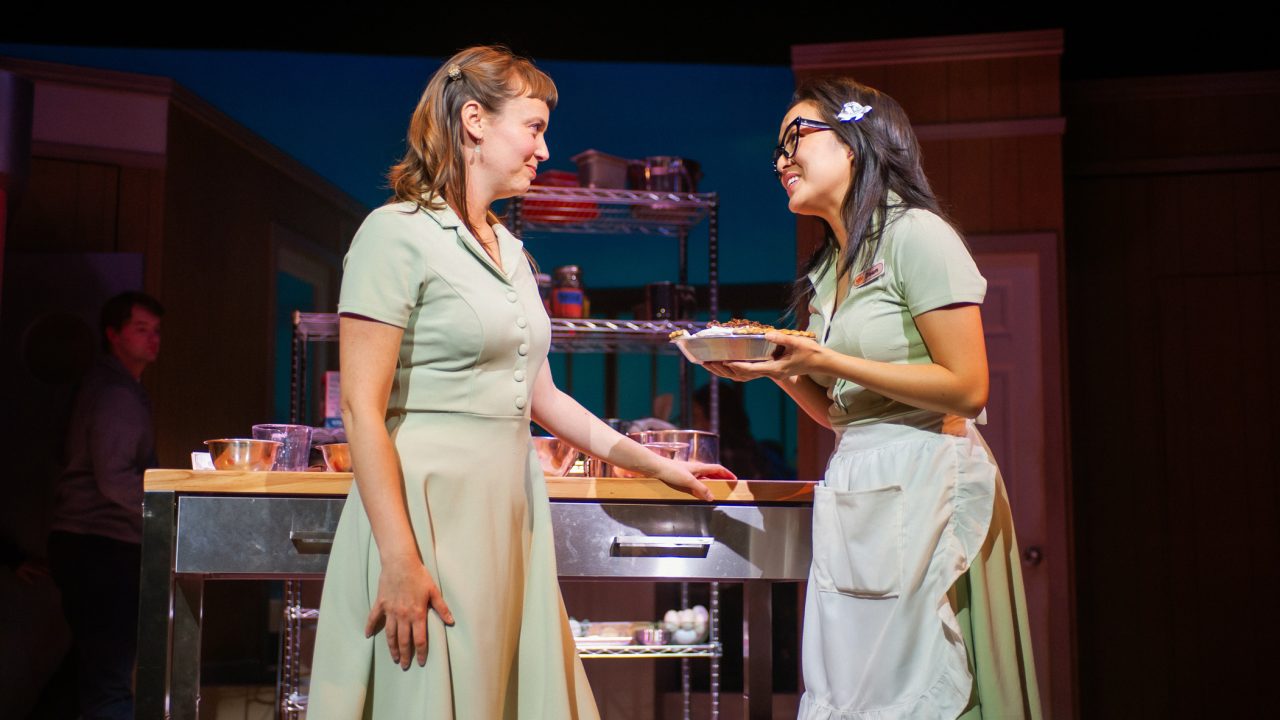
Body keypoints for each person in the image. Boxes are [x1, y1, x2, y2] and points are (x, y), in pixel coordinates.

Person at [307, 46, 731, 719]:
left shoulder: (511, 249)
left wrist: (655, 465)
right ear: (474, 120)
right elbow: (361, 410)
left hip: (506, 511)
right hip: (425, 513)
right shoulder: (395, 235)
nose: (544, 147)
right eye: (533, 127)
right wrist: (398, 558)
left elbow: (542, 397)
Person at [705, 78, 1041, 719]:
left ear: (856, 142)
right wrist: (775, 369)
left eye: (795, 138)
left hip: (927, 478)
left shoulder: (917, 235)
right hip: (862, 481)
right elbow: (843, 411)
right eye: (777, 148)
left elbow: (968, 387)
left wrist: (824, 357)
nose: (780, 160)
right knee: (854, 687)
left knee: (922, 684)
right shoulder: (831, 266)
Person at [47, 290, 163, 720]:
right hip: (101, 546)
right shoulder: (115, 394)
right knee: (108, 678)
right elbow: (114, 480)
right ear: (113, 335)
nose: (153, 339)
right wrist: (164, 517)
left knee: (89, 669)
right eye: (141, 329)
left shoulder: (112, 388)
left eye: (156, 331)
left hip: (88, 544)